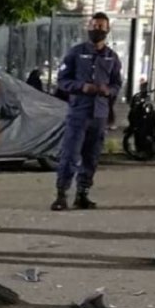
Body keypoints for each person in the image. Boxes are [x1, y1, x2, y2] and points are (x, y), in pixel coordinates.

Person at [51, 12, 122, 211]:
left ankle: (82, 194)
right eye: (94, 26)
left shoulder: (111, 57)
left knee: (91, 157)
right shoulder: (76, 53)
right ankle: (61, 195)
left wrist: (109, 91)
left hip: (99, 114)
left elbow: (117, 83)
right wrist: (82, 87)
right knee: (70, 155)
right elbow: (63, 81)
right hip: (78, 113)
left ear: (107, 30)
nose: (97, 30)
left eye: (101, 27)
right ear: (88, 28)